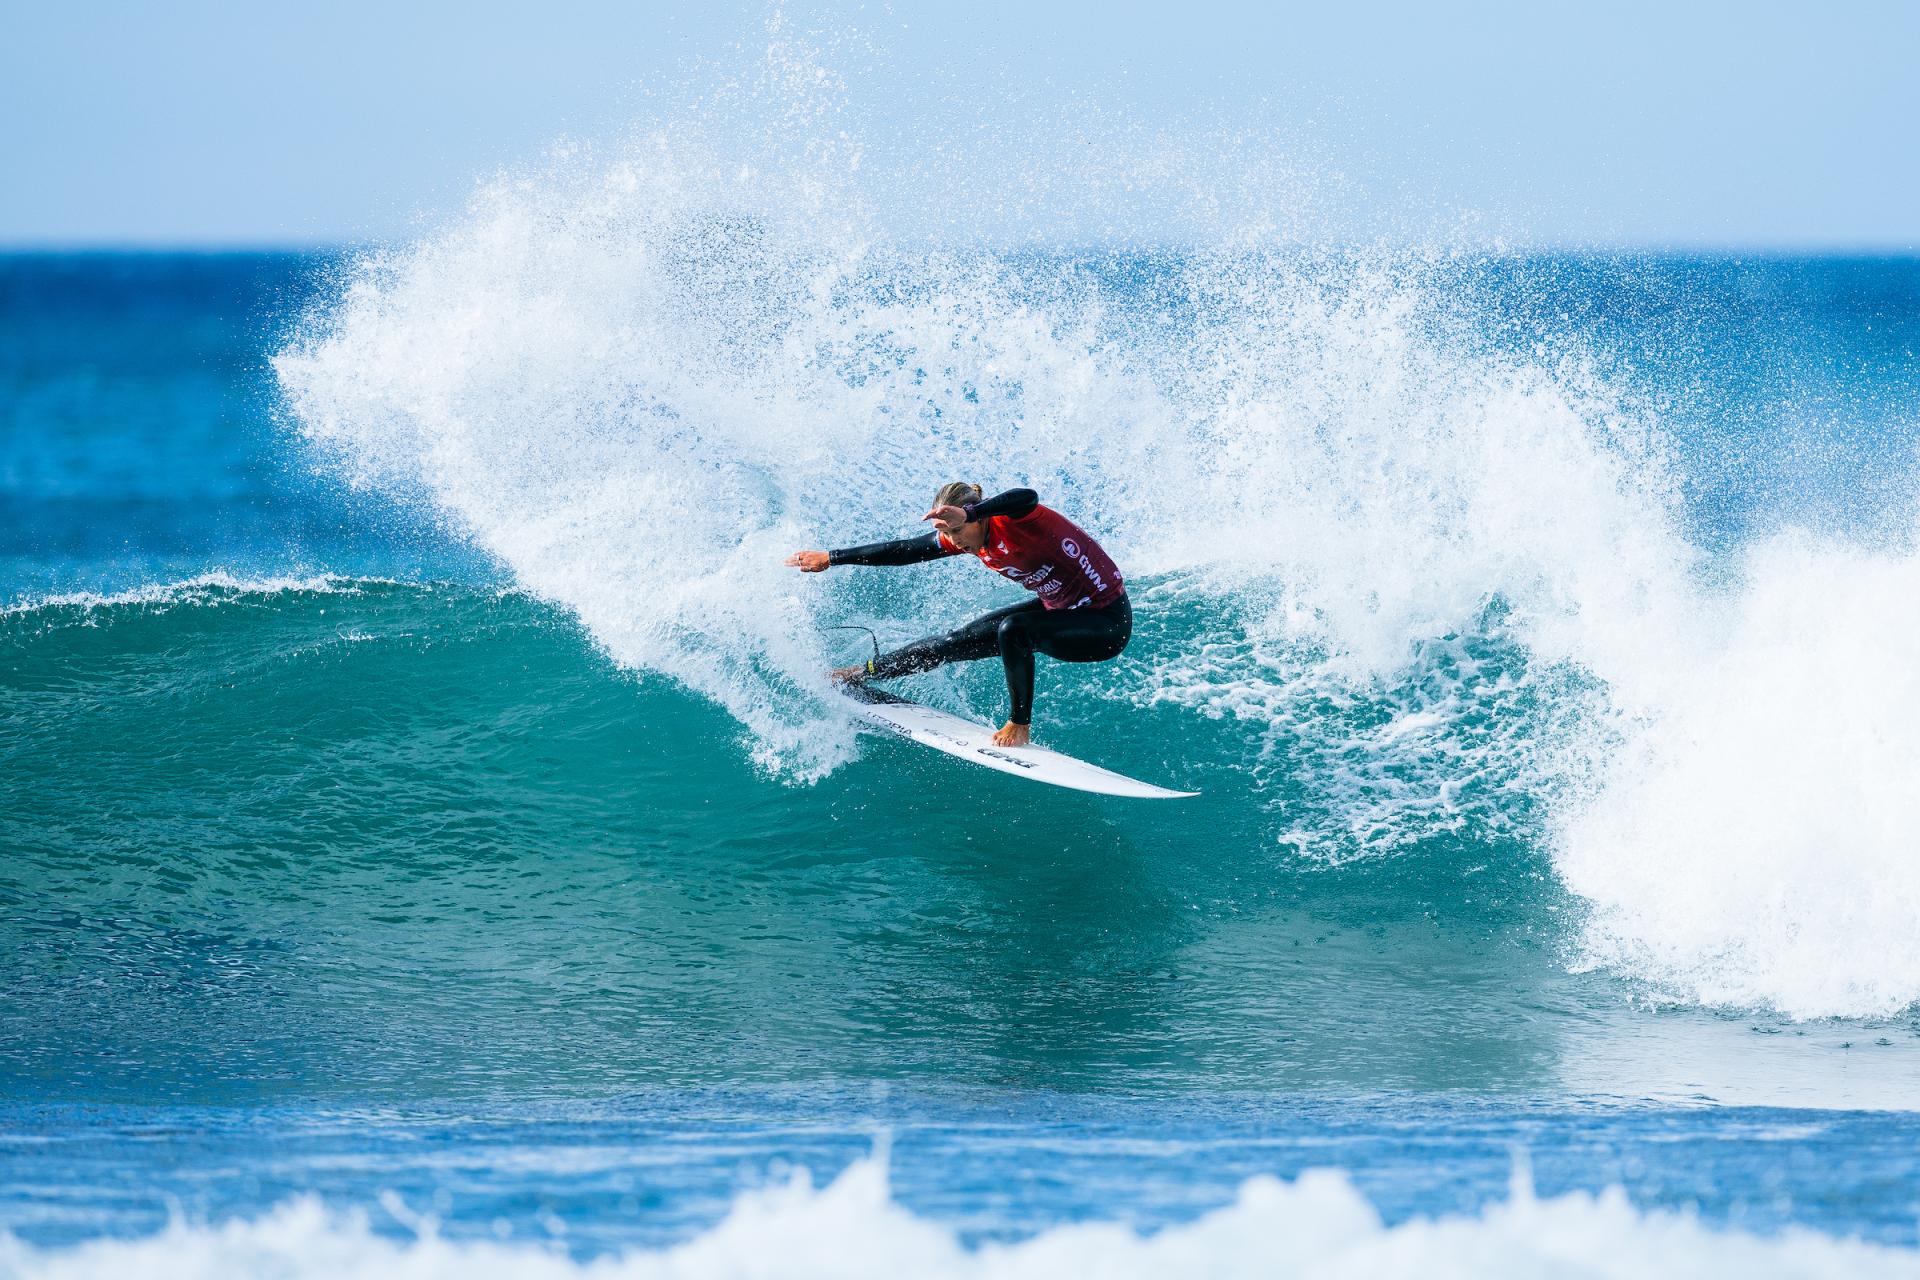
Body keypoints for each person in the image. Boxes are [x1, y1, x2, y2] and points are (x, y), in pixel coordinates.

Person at [785, 483, 1131, 747]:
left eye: (957, 530)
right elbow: (903, 551)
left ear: (976, 517)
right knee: (950, 643)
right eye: (945, 533)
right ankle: (861, 673)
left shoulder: (1017, 520)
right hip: (1059, 608)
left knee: (1014, 630)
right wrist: (833, 557)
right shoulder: (962, 537)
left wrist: (972, 513)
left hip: (1104, 624)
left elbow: (1026, 495)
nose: (953, 540)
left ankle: (1019, 725)